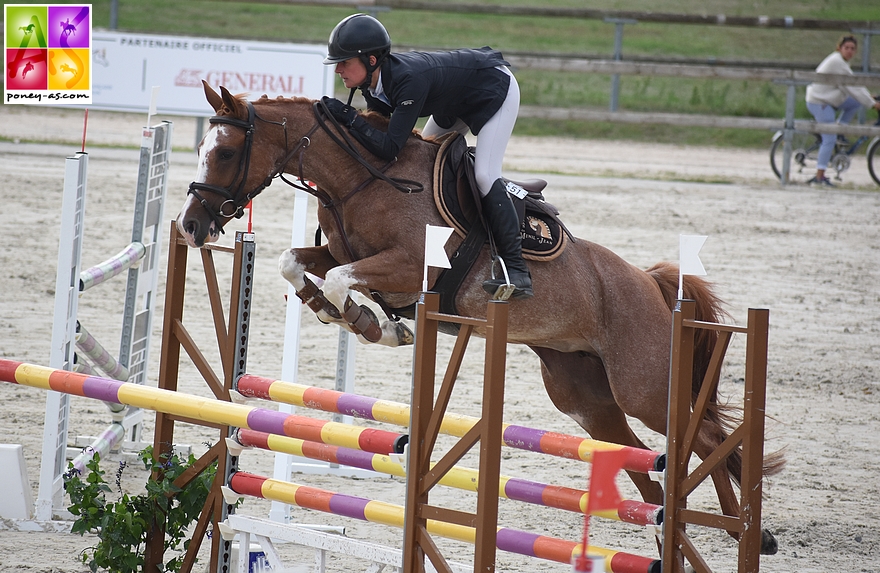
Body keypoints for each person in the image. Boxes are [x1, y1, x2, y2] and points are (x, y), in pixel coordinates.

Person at [321, 13, 533, 300]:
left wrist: (351, 117)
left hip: (492, 89)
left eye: (344, 62)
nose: (338, 70)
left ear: (371, 61)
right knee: (423, 160)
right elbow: (378, 145)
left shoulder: (407, 81)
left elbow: (388, 148)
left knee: (485, 174)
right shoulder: (373, 86)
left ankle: (517, 270)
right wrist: (345, 122)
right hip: (452, 102)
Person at [805, 34, 880, 187]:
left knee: (855, 103)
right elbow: (852, 87)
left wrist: (869, 98)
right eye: (847, 48)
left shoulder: (842, 63)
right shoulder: (837, 62)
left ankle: (841, 130)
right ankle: (819, 177)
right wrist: (873, 104)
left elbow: (854, 86)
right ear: (839, 48)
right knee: (829, 139)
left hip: (828, 97)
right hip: (820, 101)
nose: (850, 51)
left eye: (853, 49)